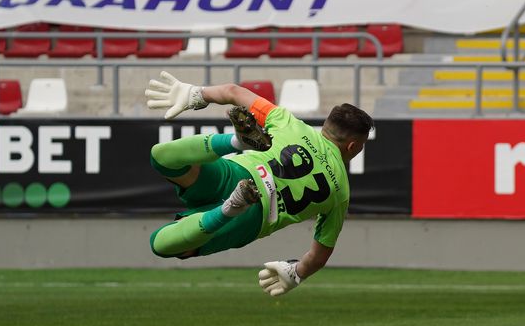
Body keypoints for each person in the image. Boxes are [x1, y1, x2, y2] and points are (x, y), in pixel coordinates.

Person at [143, 71, 372, 297]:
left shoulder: (288, 122)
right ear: (353, 146)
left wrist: (196, 93)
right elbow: (320, 255)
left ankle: (235, 142)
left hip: (236, 172)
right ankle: (228, 209)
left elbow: (233, 92)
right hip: (252, 217)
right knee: (161, 244)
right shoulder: (341, 191)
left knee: (161, 158)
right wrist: (296, 273)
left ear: (326, 125)